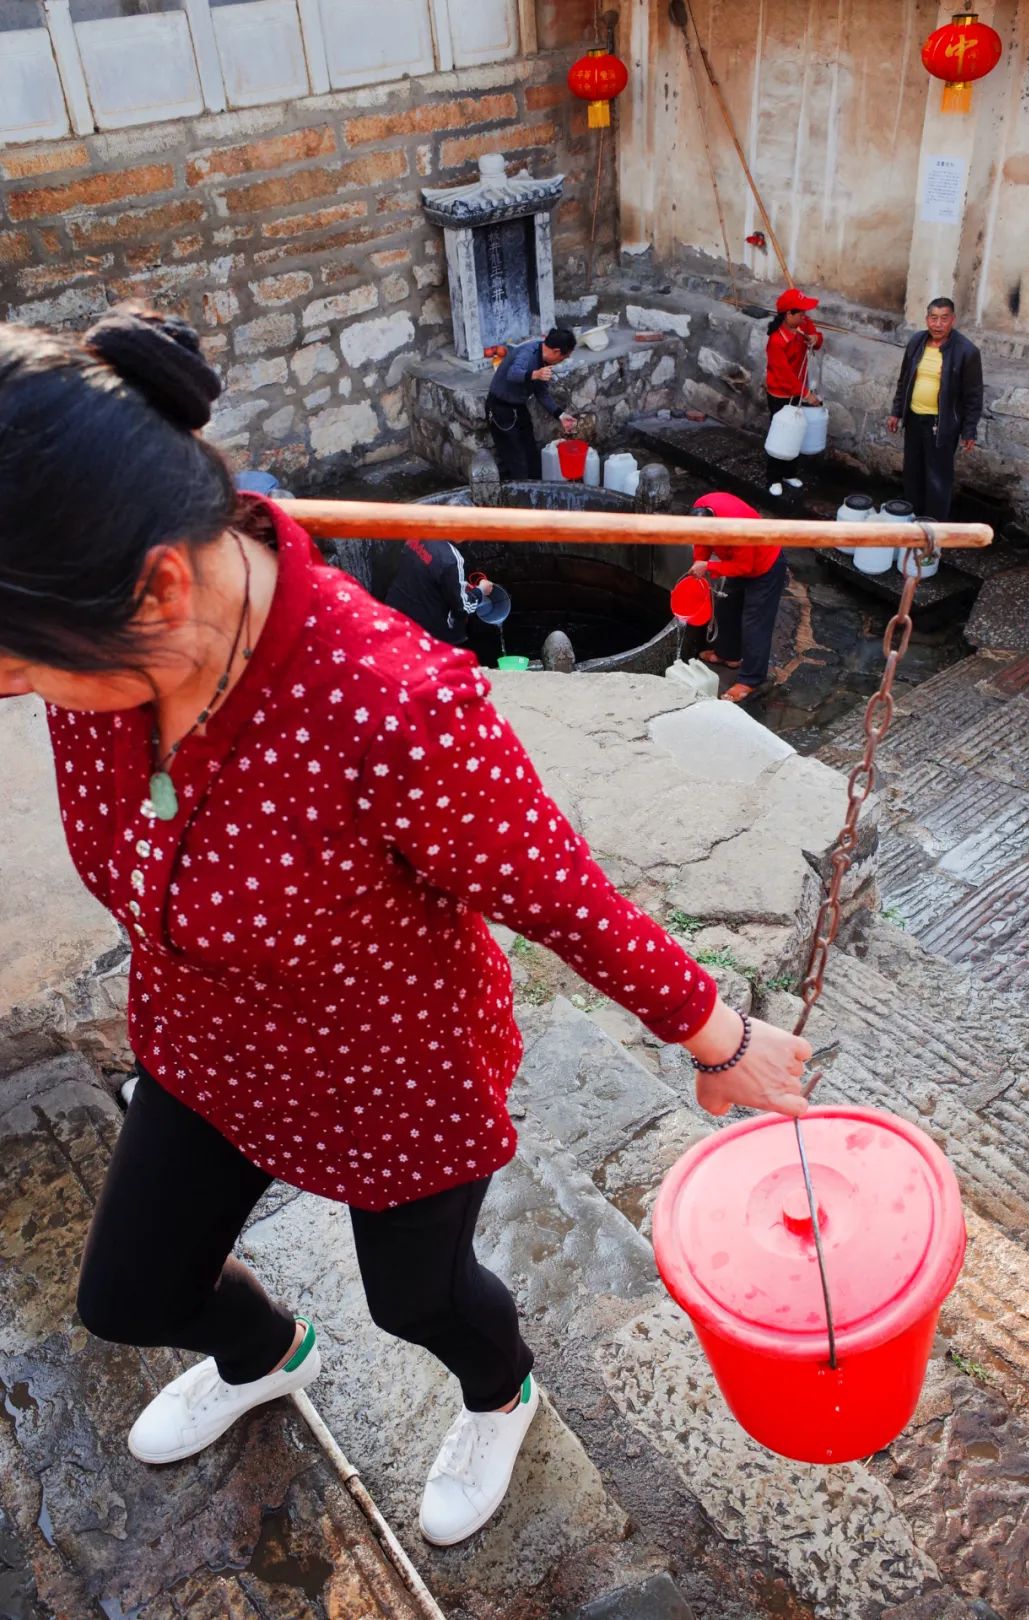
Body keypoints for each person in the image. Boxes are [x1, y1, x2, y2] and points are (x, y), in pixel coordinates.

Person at [0, 308, 811, 1548]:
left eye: (18, 671)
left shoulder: (393, 714)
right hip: (205, 1042)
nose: (18, 692)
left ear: (157, 586)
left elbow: (560, 894)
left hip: (390, 1072)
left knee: (420, 1300)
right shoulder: (109, 651)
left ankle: (504, 1390)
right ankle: (268, 1352)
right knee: (129, 1294)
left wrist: (718, 1036)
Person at [887, 297, 983, 519]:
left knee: (938, 480)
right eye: (933, 318)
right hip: (913, 419)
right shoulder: (916, 342)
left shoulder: (967, 351)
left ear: (953, 320)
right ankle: (912, 522)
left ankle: (933, 533)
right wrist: (896, 411)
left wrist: (969, 430)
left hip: (942, 426)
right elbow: (904, 380)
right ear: (927, 319)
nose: (938, 324)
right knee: (912, 474)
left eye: (944, 319)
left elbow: (973, 396)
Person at [689, 492, 787, 704]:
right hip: (737, 559)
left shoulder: (738, 527)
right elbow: (701, 542)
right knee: (727, 608)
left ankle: (751, 680)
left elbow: (745, 567)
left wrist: (709, 566)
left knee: (755, 623)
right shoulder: (701, 509)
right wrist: (699, 561)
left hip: (764, 566)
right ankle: (728, 655)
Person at [486, 326, 577, 481]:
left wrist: (560, 414)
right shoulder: (528, 353)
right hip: (500, 409)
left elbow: (541, 392)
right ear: (556, 351)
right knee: (517, 460)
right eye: (564, 357)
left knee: (531, 454)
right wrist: (535, 374)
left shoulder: (545, 362)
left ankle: (536, 492)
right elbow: (513, 373)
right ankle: (519, 498)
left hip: (518, 407)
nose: (563, 361)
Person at [764, 288, 823, 499]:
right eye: (800, 313)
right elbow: (784, 375)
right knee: (780, 434)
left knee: (795, 432)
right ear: (788, 314)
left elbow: (817, 338)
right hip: (780, 393)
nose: (805, 317)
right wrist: (807, 394)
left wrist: (815, 339)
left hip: (798, 390)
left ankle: (789, 473)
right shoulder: (776, 341)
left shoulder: (803, 325)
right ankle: (773, 478)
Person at [385, 536, 493, 646]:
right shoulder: (451, 558)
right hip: (426, 632)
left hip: (395, 611)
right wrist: (480, 592)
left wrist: (458, 586)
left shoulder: (419, 532)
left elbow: (427, 575)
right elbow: (462, 608)